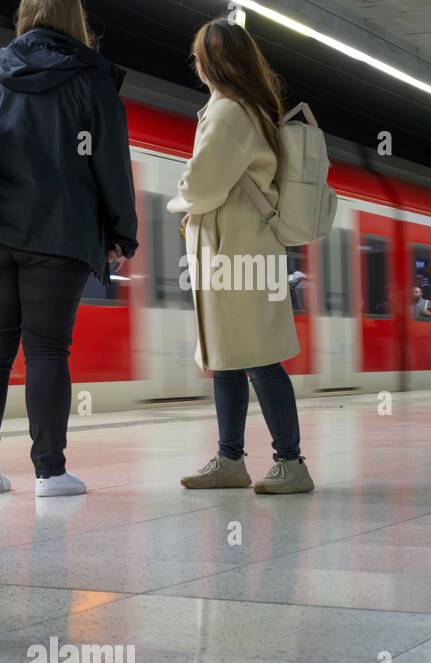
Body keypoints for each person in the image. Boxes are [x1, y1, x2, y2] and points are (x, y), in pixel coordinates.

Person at [0, 0, 137, 499]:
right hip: (58, 233)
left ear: (24, 18)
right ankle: (50, 474)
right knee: (47, 350)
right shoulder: (91, 78)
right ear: (75, 21)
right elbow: (110, 161)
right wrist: (122, 231)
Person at [170, 18, 313, 494]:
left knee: (258, 358)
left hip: (238, 253)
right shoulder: (248, 107)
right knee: (230, 357)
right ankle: (230, 459)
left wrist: (181, 198)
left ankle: (291, 463)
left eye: (199, 58)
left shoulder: (230, 111)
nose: (197, 67)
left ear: (212, 63)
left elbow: (202, 185)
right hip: (239, 249)